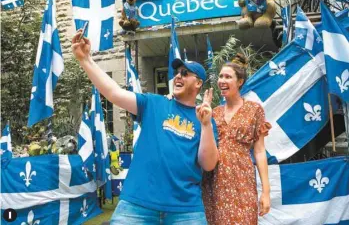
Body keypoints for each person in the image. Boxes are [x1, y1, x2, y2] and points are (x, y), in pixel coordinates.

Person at [71, 30, 219, 224]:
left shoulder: (206, 120)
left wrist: (206, 124)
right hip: (137, 204)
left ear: (198, 83)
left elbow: (208, 164)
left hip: (186, 209)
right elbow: (114, 93)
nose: (177, 77)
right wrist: (86, 60)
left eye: (185, 73)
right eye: (176, 73)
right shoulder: (153, 103)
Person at [202, 53, 271, 225]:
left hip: (242, 179)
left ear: (240, 82)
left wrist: (266, 192)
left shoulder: (254, 110)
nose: (222, 81)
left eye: (228, 77)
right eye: (220, 76)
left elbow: (260, 151)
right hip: (214, 182)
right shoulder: (214, 112)